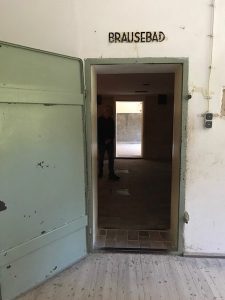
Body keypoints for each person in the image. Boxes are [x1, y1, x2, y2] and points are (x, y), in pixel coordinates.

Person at [98, 105, 120, 181]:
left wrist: (110, 139)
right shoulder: (99, 120)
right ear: (103, 111)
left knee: (111, 159)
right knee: (101, 158)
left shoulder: (111, 120)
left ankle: (111, 174)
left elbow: (113, 131)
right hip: (101, 143)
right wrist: (104, 140)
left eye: (108, 110)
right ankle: (100, 172)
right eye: (106, 110)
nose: (107, 112)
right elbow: (98, 132)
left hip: (110, 143)